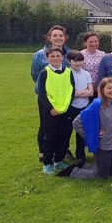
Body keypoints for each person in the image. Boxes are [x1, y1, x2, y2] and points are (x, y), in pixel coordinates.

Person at [62, 78, 112, 179]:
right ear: (102, 90)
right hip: (104, 146)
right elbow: (77, 122)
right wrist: (92, 135)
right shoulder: (97, 104)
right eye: (109, 88)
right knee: (101, 175)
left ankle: (84, 165)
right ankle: (73, 171)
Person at [32, 25, 71, 161]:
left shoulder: (69, 54)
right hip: (46, 97)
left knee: (62, 125)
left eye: (60, 35)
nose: (58, 38)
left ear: (64, 38)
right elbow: (35, 74)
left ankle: (62, 151)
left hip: (63, 96)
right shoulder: (39, 55)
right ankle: (43, 152)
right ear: (49, 37)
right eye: (55, 35)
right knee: (46, 125)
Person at [38, 47, 75, 175]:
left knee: (63, 136)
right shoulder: (44, 72)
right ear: (47, 58)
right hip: (51, 111)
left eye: (58, 56)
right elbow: (42, 94)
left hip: (65, 110)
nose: (55, 58)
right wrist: (51, 108)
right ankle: (47, 163)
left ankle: (59, 160)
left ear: (63, 57)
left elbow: (72, 91)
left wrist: (67, 106)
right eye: (52, 56)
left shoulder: (68, 72)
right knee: (50, 137)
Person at [65, 50, 93, 163]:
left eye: (80, 61)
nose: (78, 63)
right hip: (70, 107)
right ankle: (64, 152)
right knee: (67, 130)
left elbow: (91, 92)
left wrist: (75, 93)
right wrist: (83, 92)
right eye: (75, 61)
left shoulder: (86, 74)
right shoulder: (66, 73)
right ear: (69, 61)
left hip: (84, 107)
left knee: (81, 132)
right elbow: (67, 93)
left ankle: (80, 155)